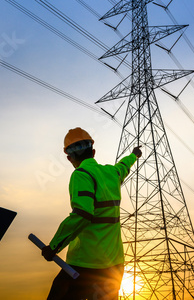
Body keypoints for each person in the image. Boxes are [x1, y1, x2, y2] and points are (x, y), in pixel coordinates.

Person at [42, 127, 142, 300]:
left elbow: (83, 214)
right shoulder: (113, 173)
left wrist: (54, 246)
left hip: (84, 265)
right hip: (114, 266)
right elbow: (124, 165)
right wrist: (135, 155)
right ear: (93, 152)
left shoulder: (81, 174)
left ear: (69, 157)